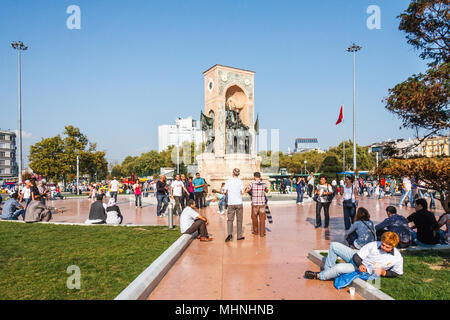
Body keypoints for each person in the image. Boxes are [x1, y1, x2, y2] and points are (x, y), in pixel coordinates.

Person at [304, 232, 403, 281]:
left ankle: (319, 276)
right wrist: (360, 264)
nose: (383, 247)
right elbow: (357, 256)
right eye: (382, 245)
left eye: (387, 247)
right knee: (334, 245)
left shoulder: (397, 258)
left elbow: (397, 273)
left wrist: (384, 272)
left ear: (393, 246)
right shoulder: (373, 245)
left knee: (339, 267)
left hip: (363, 270)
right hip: (358, 261)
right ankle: (328, 271)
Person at [245, 172, 269, 237]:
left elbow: (246, 190)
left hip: (255, 204)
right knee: (262, 219)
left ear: (254, 177)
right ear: (260, 176)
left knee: (254, 218)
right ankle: (262, 233)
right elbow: (267, 190)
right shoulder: (264, 183)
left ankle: (255, 232)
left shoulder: (252, 183)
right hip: (262, 204)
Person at [224, 168, 245, 242]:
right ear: (238, 174)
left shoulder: (228, 181)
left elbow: (224, 191)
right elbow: (242, 192)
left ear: (232, 173)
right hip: (239, 202)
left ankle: (229, 234)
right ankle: (239, 236)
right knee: (239, 220)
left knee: (230, 220)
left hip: (231, 203)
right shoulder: (240, 181)